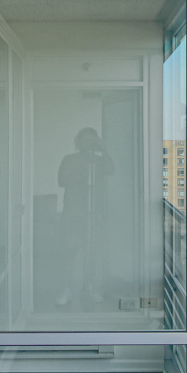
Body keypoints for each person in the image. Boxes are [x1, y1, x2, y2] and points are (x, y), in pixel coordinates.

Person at [56, 127, 114, 306]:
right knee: (69, 252)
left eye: (92, 141)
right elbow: (62, 181)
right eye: (85, 141)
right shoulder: (69, 159)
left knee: (93, 252)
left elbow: (111, 170)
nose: (88, 144)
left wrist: (103, 149)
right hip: (73, 213)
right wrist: (82, 173)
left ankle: (89, 286)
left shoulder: (99, 160)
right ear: (78, 142)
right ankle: (66, 290)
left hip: (95, 213)